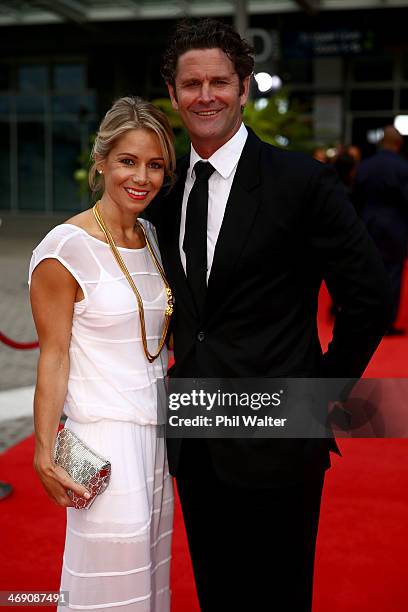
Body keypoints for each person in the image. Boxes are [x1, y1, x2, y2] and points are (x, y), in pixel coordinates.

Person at [146, 18, 392, 611]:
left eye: (220, 82)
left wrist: (322, 391)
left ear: (245, 87)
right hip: (197, 438)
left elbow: (370, 294)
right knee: (218, 593)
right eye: (192, 84)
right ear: (174, 93)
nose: (206, 96)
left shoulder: (300, 181)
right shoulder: (168, 190)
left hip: (279, 440)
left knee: (277, 597)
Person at [29, 96, 175, 611]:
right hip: (104, 440)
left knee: (151, 576)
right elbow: (54, 355)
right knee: (111, 583)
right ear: (101, 163)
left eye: (155, 164)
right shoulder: (64, 248)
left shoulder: (152, 236)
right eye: (128, 161)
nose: (142, 177)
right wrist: (44, 451)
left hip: (158, 436)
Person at [355, 125, 408, 335]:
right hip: (395, 226)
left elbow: (356, 197)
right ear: (398, 144)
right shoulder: (403, 167)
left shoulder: (365, 166)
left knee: (367, 272)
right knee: (393, 274)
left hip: (367, 224)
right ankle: (387, 322)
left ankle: (366, 317)